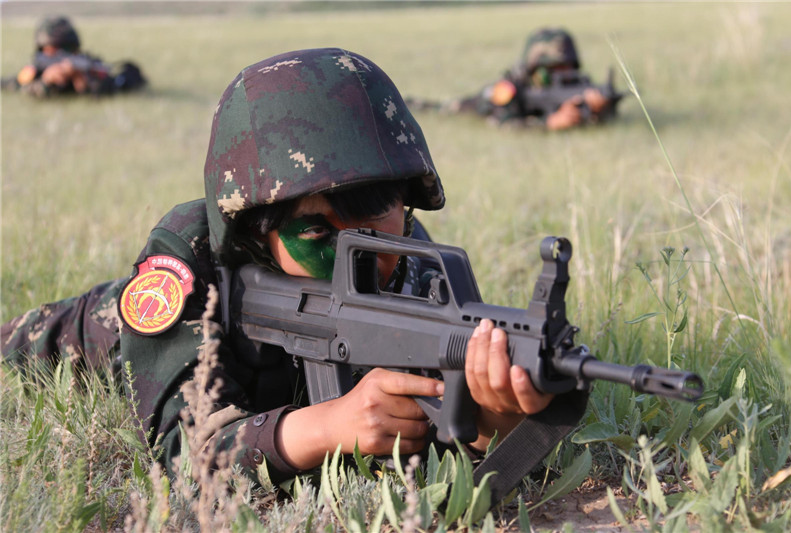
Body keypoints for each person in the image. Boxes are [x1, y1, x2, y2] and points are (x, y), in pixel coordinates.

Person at [1, 48, 553, 483]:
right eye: (315, 231)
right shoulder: (189, 259)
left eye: (376, 218)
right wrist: (323, 428)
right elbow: (184, 454)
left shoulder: (417, 267)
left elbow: (445, 430)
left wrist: (492, 424)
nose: (355, 255)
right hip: (101, 332)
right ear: (254, 231)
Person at [409, 28, 620, 131]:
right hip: (480, 107)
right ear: (534, 67)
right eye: (552, 69)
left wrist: (597, 110)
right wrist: (549, 123)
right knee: (442, 109)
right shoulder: (508, 89)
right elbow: (503, 124)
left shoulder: (577, 86)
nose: (561, 75)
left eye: (566, 68)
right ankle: (410, 104)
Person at [1, 15, 146, 97]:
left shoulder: (87, 65)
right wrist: (46, 81)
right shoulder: (37, 68)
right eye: (52, 50)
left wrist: (82, 80)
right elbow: (20, 86)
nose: (60, 55)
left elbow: (113, 85)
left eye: (66, 49)